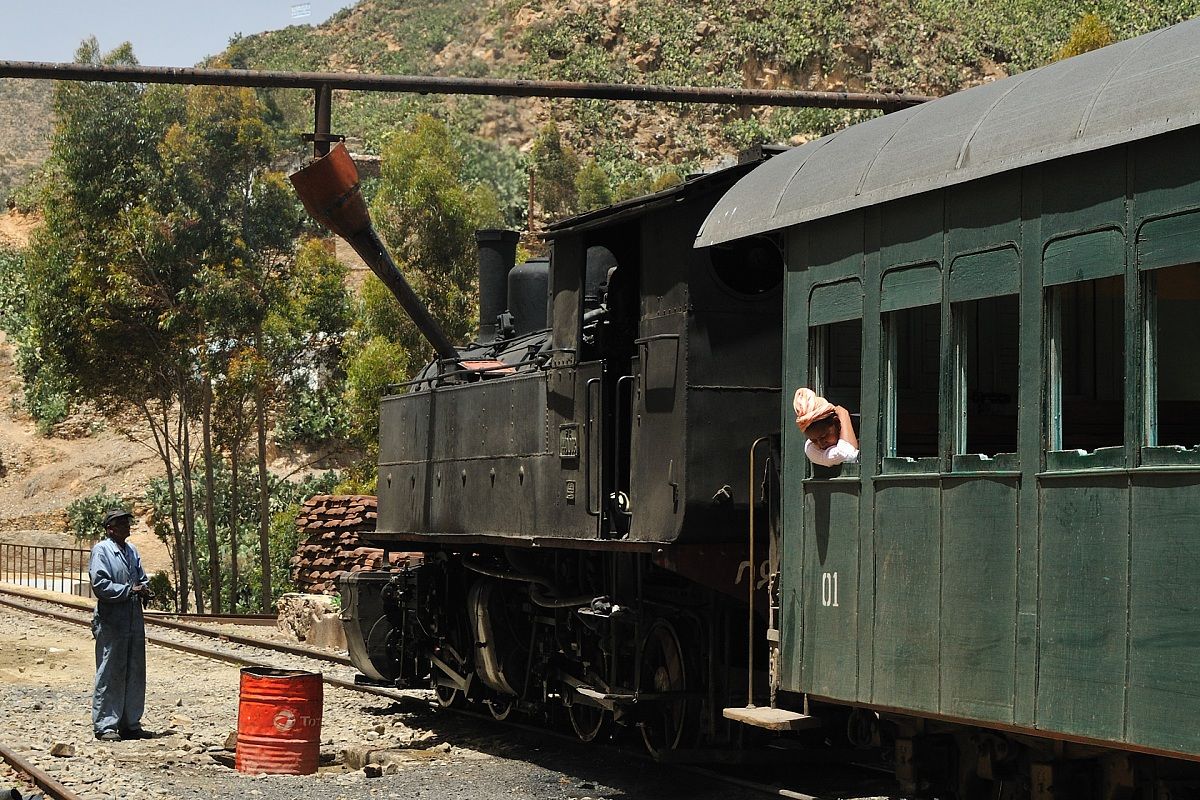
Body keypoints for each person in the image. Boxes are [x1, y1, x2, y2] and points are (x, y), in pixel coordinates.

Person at [89, 508, 151, 742]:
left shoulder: (131, 550)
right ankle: (105, 724)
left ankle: (130, 723)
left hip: (133, 618)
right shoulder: (101, 550)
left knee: (134, 669)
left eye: (128, 523)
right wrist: (127, 590)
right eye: (122, 524)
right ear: (110, 529)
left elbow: (140, 577)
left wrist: (144, 588)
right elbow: (100, 584)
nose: (127, 527)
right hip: (112, 619)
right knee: (110, 669)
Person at [793, 387, 860, 467]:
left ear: (836, 422)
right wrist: (843, 414)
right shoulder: (811, 448)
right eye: (814, 440)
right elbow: (848, 454)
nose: (821, 444)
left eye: (823, 436)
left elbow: (849, 453)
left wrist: (842, 416)